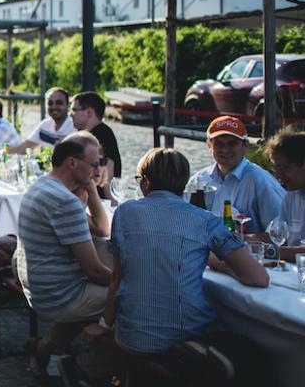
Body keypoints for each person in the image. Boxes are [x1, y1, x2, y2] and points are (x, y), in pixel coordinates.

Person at [77, 148, 269, 384]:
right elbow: (258, 278)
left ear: (146, 182)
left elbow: (118, 277)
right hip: (189, 334)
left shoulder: (125, 213)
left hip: (133, 337)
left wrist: (104, 325)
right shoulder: (205, 221)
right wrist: (216, 262)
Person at [14, 133, 113, 375]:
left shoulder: (43, 185)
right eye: (94, 164)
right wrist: (131, 283)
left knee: (109, 284)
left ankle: (44, 348)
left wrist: (88, 183)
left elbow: (101, 229)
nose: (98, 169)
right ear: (72, 163)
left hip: (39, 285)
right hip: (57, 295)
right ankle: (87, 368)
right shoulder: (64, 202)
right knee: (131, 300)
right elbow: (94, 270)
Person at [190, 115, 283, 234]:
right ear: (209, 146)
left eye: (232, 143)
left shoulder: (262, 181)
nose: (225, 149)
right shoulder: (198, 180)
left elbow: (281, 233)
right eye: (219, 144)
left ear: (246, 145)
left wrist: (238, 240)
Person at [265, 128, 305, 259]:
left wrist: (271, 251)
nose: (278, 175)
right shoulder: (291, 195)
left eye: (283, 168)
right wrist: (243, 240)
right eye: (275, 168)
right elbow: (277, 234)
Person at [70, 91, 122, 179]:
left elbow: (108, 177)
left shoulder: (104, 135)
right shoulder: (83, 133)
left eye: (74, 110)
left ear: (89, 112)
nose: (70, 114)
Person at [10, 88, 75, 154]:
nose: (54, 107)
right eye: (50, 103)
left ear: (68, 105)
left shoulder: (74, 127)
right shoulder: (45, 125)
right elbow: (23, 149)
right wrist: (3, 152)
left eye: (59, 103)